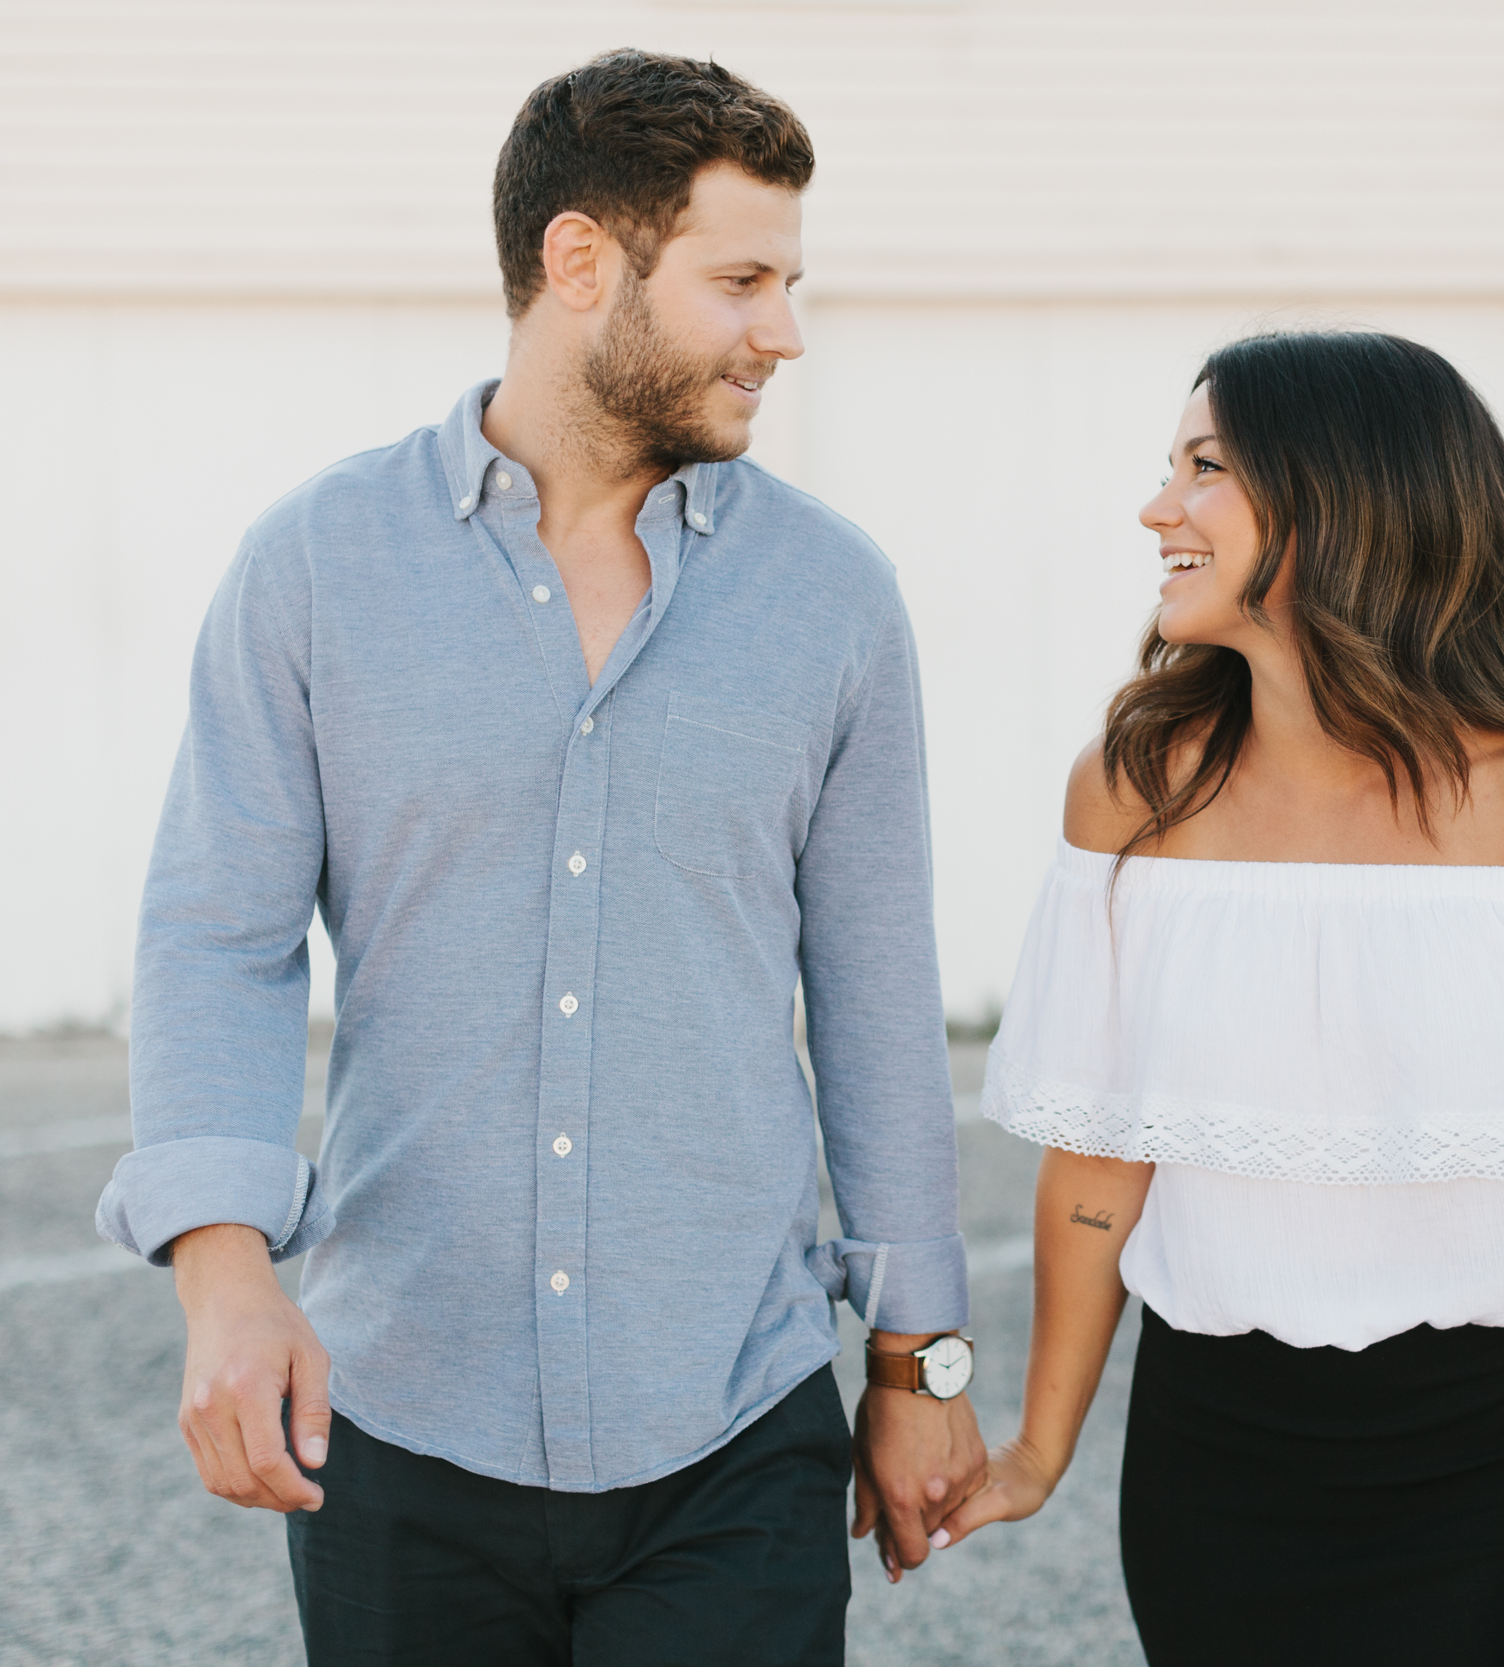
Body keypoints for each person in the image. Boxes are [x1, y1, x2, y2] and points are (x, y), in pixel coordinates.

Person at [93, 50, 985, 1665]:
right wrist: (223, 1275)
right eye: (742, 281)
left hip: (731, 1422)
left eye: (789, 282)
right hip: (402, 1418)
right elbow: (216, 933)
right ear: (582, 264)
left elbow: (874, 989)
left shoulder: (833, 600)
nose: (783, 330)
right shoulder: (315, 567)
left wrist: (920, 1366)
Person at [929, 331, 1504, 1665]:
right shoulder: (1137, 788)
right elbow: (1097, 1161)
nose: (1159, 508)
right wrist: (1039, 1443)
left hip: (1497, 1469)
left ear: (1338, 504)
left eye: (1205, 470)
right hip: (1216, 1467)